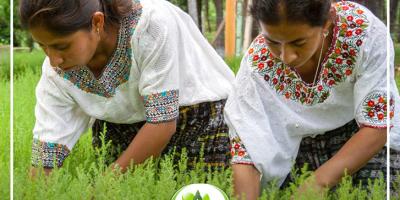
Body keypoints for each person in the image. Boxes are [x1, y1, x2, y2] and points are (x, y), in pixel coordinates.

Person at [20, 0, 235, 175]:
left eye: (61, 46)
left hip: (197, 119)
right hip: (122, 130)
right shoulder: (54, 72)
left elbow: (163, 122)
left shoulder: (150, 26)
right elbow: (47, 149)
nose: (54, 59)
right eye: (43, 46)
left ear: (97, 22)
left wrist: (105, 184)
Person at [223, 0, 400, 199]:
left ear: (327, 22)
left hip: (360, 137)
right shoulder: (258, 63)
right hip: (300, 143)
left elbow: (377, 124)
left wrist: (313, 186)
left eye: (298, 43)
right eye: (272, 42)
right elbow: (247, 143)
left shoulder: (363, 33)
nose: (286, 57)